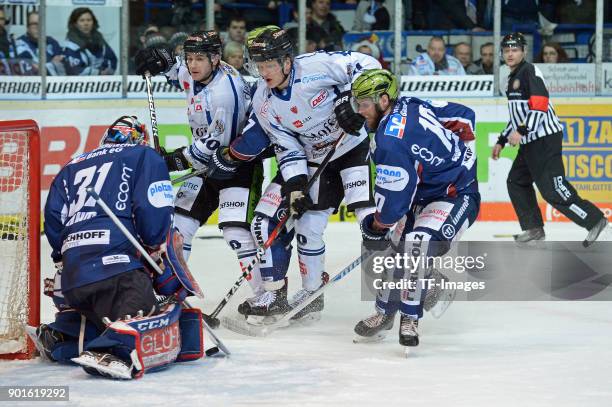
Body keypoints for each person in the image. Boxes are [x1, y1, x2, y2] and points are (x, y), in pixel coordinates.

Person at [220, 26, 380, 324]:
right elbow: (286, 145)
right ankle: (290, 293)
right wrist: (295, 185)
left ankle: (402, 281)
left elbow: (368, 65)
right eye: (258, 65)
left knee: (368, 219)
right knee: (274, 221)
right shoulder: (262, 101)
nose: (263, 72)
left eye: (268, 64)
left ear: (286, 61)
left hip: (351, 150)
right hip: (311, 161)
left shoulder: (316, 66)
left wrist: (352, 102)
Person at [41, 116, 205, 379]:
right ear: (138, 138)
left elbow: (53, 218)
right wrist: (153, 245)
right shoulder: (144, 155)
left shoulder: (72, 165)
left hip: (73, 278)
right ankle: (115, 350)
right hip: (117, 272)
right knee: (155, 321)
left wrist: (63, 257)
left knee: (101, 315)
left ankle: (65, 334)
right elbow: (153, 214)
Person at [350, 69, 480, 349]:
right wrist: (466, 151)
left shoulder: (389, 140)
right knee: (395, 248)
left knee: (416, 243)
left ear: (383, 100)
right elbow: (466, 115)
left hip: (455, 195)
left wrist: (376, 226)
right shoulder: (410, 102)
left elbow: (392, 205)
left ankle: (410, 317)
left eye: (363, 104)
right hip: (423, 193)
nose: (359, 112)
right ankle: (385, 311)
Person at [134, 31, 265, 300]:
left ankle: (265, 296)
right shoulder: (200, 72)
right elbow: (178, 71)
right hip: (205, 166)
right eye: (189, 58)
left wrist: (171, 160)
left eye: (199, 59)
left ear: (216, 59)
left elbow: (214, 147)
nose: (192, 64)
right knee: (178, 227)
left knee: (235, 231)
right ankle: (171, 293)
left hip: (236, 164)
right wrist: (161, 61)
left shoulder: (224, 95)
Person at [491, 33, 607, 245]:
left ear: (524, 51)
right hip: (529, 143)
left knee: (552, 189)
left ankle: (594, 219)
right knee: (516, 181)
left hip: (544, 140)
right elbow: (518, 116)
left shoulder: (530, 71)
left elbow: (540, 104)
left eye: (514, 49)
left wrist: (522, 132)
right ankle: (533, 228)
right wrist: (502, 140)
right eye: (506, 50)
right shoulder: (510, 78)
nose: (510, 53)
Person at [63, 7, 118, 75]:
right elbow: (74, 69)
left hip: (103, 81)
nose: (86, 23)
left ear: (93, 22)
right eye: (82, 20)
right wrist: (98, 72)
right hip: (79, 83)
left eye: (89, 20)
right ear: (75, 24)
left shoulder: (100, 40)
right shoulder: (71, 45)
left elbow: (112, 59)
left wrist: (106, 71)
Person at [15, 11, 65, 75]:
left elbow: (61, 66)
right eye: (34, 24)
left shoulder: (51, 42)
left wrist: (42, 67)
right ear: (27, 27)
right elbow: (31, 69)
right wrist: (52, 65)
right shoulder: (19, 43)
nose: (38, 27)